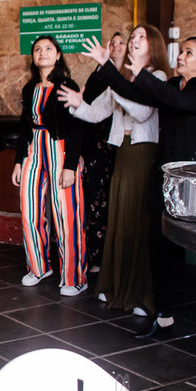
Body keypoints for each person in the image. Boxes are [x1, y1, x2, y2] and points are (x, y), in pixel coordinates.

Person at [79, 34, 196, 338]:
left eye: (189, 53)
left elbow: (178, 102)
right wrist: (108, 66)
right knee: (158, 242)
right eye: (181, 51)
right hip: (165, 176)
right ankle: (163, 312)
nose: (181, 56)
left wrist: (142, 75)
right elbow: (136, 94)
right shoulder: (173, 85)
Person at [62, 25, 169, 316]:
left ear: (154, 46)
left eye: (140, 38)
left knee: (137, 222)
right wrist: (77, 104)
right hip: (122, 151)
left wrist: (113, 77)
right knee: (120, 219)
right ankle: (114, 287)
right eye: (132, 38)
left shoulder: (157, 77)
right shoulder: (121, 78)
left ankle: (139, 295)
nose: (134, 42)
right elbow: (97, 112)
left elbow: (142, 112)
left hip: (143, 153)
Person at [12, 35, 86, 296]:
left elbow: (77, 127)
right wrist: (19, 161)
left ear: (57, 55)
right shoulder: (29, 88)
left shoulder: (67, 84)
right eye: (37, 49)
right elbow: (24, 127)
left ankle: (74, 277)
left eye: (48, 49)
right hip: (34, 151)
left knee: (66, 215)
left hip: (61, 151)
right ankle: (39, 267)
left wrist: (70, 165)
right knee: (29, 210)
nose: (42, 52)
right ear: (33, 57)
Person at [78, 31, 127, 274]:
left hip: (119, 146)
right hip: (95, 146)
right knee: (93, 200)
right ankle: (91, 255)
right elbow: (86, 105)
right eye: (114, 42)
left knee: (113, 202)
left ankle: (108, 258)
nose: (117, 46)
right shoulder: (99, 74)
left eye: (122, 42)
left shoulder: (130, 76)